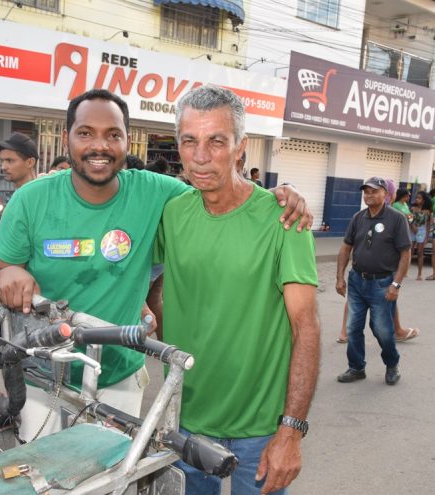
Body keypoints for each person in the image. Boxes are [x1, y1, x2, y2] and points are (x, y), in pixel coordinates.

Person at [0, 88, 312, 438]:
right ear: (67, 139)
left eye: (113, 135)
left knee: (112, 482)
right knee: (45, 483)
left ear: (128, 142)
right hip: (42, 379)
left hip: (120, 380)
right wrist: (8, 274)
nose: (100, 146)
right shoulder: (31, 200)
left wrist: (282, 194)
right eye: (85, 133)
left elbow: (226, 195)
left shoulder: (159, 194)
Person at [156, 85, 320, 495]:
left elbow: (306, 327)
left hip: (261, 432)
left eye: (216, 141)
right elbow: (144, 279)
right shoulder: (173, 212)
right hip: (185, 420)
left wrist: (292, 431)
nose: (200, 156)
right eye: (189, 141)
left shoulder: (283, 219)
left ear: (240, 147)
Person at [336, 177, 411, 386]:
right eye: (366, 191)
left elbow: (405, 253)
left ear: (385, 194)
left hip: (382, 283)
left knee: (382, 330)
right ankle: (356, 367)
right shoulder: (358, 218)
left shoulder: (397, 219)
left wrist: (396, 285)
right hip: (357, 281)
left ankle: (392, 364)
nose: (369, 195)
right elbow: (345, 248)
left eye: (374, 191)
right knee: (352, 327)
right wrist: (339, 277)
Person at [410, 190, 433, 280]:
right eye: (416, 197)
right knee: (409, 252)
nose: (416, 199)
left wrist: (427, 237)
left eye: (419, 198)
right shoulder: (412, 209)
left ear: (423, 200)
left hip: (421, 231)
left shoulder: (427, 212)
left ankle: (419, 274)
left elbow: (428, 225)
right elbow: (409, 219)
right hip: (412, 230)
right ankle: (404, 271)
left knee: (420, 252)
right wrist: (412, 226)